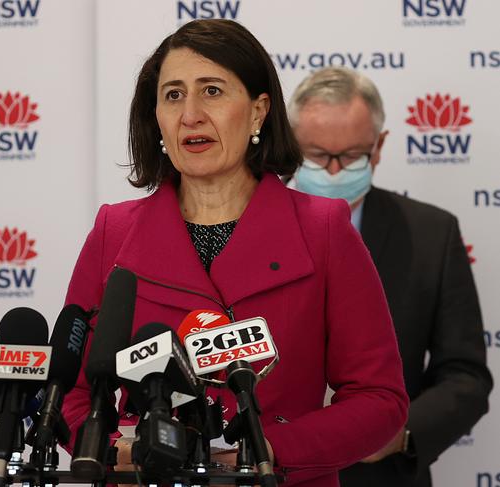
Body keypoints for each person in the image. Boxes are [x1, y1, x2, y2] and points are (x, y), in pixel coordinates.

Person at [62, 20, 408, 486]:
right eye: (173, 95)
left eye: (212, 91)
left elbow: (379, 399)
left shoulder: (323, 228)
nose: (191, 115)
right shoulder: (114, 229)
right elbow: (71, 391)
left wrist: (268, 448)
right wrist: (111, 447)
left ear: (258, 111)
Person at [288, 66, 492, 487]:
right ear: (290, 146)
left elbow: (465, 376)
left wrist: (399, 434)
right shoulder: (244, 226)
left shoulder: (432, 235)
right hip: (275, 470)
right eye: (316, 155)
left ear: (378, 148)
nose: (332, 171)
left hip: (381, 476)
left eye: (350, 157)